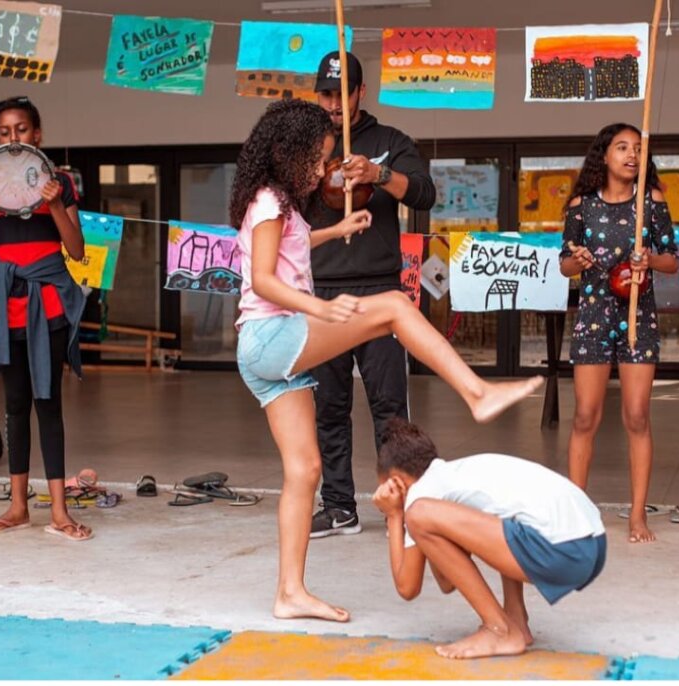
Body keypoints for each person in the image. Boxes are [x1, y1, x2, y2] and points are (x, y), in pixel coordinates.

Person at [231, 99, 543, 622]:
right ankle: (476, 392)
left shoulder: (279, 202)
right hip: (271, 336)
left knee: (304, 470)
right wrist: (322, 307)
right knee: (396, 305)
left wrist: (335, 229)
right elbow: (264, 279)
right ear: (287, 153)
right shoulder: (269, 201)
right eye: (316, 160)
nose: (320, 172)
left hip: (265, 352)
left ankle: (289, 592)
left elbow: (292, 248)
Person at [306, 51, 437, 539]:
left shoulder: (389, 142)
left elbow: (425, 193)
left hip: (381, 289)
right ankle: (339, 506)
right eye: (325, 94)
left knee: (390, 408)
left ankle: (404, 505)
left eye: (343, 94)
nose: (333, 104)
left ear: (362, 91)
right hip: (322, 293)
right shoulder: (306, 144)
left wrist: (378, 174)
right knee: (329, 407)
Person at [0, 96, 91, 542]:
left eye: (23, 129)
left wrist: (53, 205)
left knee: (47, 404)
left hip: (47, 304)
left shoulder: (61, 182)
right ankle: (17, 507)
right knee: (14, 406)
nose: (15, 137)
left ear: (38, 134)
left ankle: (60, 512)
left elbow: (75, 250)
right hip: (6, 305)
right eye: (6, 131)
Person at [372, 419, 606, 660]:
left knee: (418, 514)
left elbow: (407, 587)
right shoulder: (453, 476)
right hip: (592, 545)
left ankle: (499, 629)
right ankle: (516, 621)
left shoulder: (420, 498)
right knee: (505, 514)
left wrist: (394, 514)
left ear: (397, 482)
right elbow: (447, 581)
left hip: (566, 551)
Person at [559, 123, 679, 544]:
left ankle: (636, 515)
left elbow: (672, 261)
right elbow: (565, 264)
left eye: (639, 149)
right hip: (593, 315)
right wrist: (579, 258)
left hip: (637, 317)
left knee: (636, 416)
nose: (632, 155)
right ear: (603, 156)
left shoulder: (652, 201)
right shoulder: (581, 204)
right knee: (585, 416)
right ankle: (576, 511)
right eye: (623, 147)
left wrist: (649, 259)